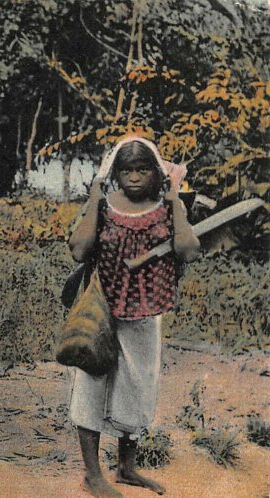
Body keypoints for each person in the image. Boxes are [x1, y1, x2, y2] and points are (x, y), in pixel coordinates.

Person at [67, 136, 200, 497]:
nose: (135, 177)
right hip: (103, 310)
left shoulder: (165, 206)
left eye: (143, 169)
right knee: (92, 383)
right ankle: (93, 475)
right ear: (115, 173)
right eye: (127, 170)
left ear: (157, 174)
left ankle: (126, 468)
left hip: (145, 311)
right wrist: (94, 200)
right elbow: (79, 250)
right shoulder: (105, 206)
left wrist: (175, 204)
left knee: (138, 385)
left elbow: (188, 251)